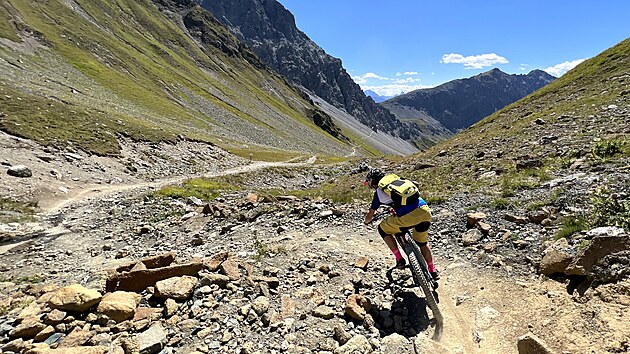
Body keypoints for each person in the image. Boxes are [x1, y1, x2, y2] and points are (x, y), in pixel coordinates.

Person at [363, 168, 439, 280]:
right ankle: (432, 270)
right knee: (422, 243)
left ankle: (399, 259)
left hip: (408, 217)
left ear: (373, 182)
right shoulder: (398, 181)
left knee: (382, 229)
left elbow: (370, 215)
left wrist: (367, 221)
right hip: (424, 211)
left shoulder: (379, 192)